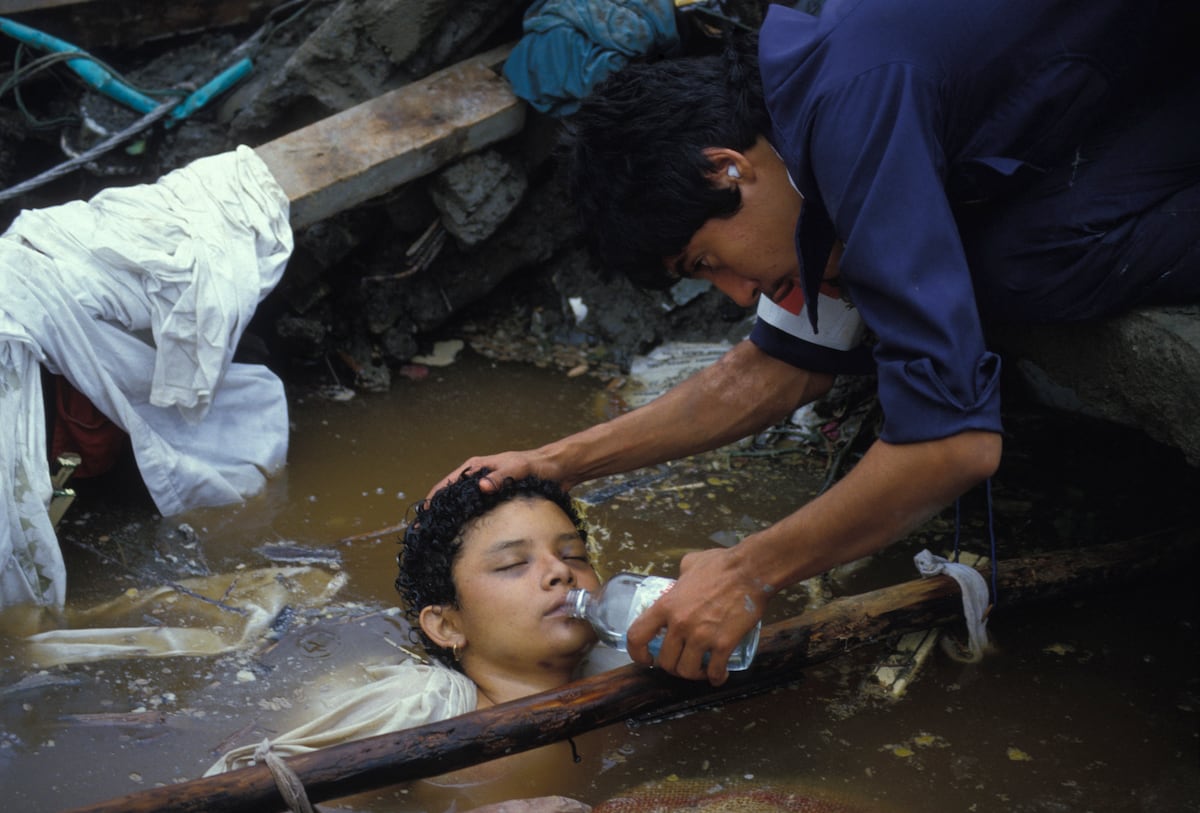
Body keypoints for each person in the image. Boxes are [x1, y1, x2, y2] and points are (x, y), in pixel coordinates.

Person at [435, 0, 1200, 687]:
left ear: (728, 169)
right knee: (998, 265)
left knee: (1006, 271)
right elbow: (773, 367)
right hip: (1122, 100)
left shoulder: (851, 109)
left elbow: (957, 445)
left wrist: (748, 570)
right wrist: (559, 462)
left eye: (708, 263)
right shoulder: (800, 136)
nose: (737, 293)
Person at [208, 470, 616, 809]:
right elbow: (252, 795)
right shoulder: (422, 712)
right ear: (447, 625)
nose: (559, 573)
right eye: (512, 563)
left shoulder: (630, 666)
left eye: (574, 556)